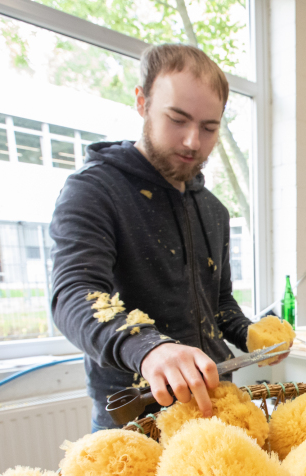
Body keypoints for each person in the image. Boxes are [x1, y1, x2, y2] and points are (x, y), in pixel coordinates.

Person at [50, 44, 267, 431]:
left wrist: (250, 334)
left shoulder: (213, 210)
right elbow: (73, 293)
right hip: (137, 417)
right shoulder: (95, 190)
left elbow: (217, 302)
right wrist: (151, 349)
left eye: (209, 128)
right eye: (178, 119)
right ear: (142, 102)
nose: (192, 142)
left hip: (214, 408)